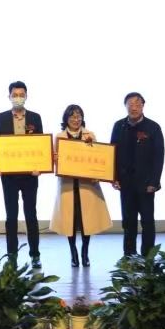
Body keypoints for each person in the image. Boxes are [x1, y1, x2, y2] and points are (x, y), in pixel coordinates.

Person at [50, 104, 112, 267]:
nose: (76, 120)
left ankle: (85, 252)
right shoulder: (59, 137)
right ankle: (73, 253)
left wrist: (99, 174)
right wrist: (55, 159)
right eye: (72, 117)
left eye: (78, 116)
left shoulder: (90, 135)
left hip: (86, 185)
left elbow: (97, 157)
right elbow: (55, 161)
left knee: (86, 221)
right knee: (69, 221)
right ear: (66, 119)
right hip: (67, 185)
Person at [0, 80, 44, 268]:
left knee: (31, 215)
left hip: (30, 175)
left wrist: (40, 166)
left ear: (26, 96)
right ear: (9, 97)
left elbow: (41, 145)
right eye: (14, 95)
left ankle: (35, 254)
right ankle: (12, 255)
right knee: (11, 216)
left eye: (21, 95)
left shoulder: (35, 118)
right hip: (9, 176)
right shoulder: (2, 118)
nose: (18, 98)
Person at [110, 92, 165, 256]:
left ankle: (148, 257)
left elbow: (159, 156)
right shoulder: (118, 126)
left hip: (146, 184)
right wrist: (113, 177)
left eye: (137, 104)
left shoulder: (153, 127)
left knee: (147, 221)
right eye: (130, 104)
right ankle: (129, 256)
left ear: (143, 106)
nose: (133, 108)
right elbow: (111, 153)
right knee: (128, 222)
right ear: (125, 106)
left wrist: (154, 182)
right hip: (125, 183)